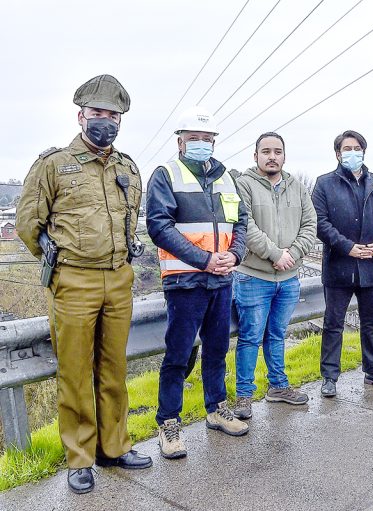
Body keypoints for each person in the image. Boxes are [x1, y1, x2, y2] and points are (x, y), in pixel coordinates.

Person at [16, 75, 151, 494]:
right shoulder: (53, 165)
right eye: (98, 114)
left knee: (113, 370)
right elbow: (27, 224)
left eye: (113, 116)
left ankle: (115, 446)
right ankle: (80, 457)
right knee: (75, 373)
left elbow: (131, 221)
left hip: (119, 278)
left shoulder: (128, 167)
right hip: (74, 280)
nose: (105, 122)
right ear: (81, 116)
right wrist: (60, 268)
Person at [146, 106, 249, 459]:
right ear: (180, 142)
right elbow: (159, 227)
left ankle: (216, 408)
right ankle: (169, 422)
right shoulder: (165, 175)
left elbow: (242, 225)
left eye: (207, 139)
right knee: (178, 354)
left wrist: (233, 256)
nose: (202, 144)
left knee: (218, 349)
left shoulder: (226, 178)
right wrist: (205, 260)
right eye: (195, 139)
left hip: (222, 280)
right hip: (185, 281)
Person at [231, 132, 317, 420]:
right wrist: (275, 254)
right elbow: (245, 227)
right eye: (265, 151)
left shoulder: (297, 187)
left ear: (284, 155)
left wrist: (291, 253)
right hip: (253, 276)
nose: (272, 156)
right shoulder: (243, 185)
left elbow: (310, 224)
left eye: (277, 151)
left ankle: (278, 387)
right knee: (250, 337)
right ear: (255, 155)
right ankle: (244, 395)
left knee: (277, 334)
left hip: (288, 277)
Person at [312, 130, 373, 398]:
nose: (353, 152)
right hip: (339, 265)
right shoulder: (324, 183)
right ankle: (329, 377)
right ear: (338, 154)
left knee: (371, 321)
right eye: (347, 148)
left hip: (371, 264)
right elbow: (320, 222)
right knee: (333, 323)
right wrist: (347, 247)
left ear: (364, 151)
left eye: (357, 147)